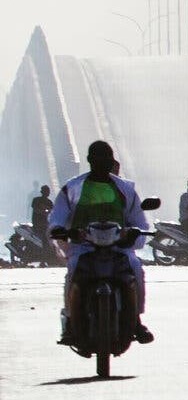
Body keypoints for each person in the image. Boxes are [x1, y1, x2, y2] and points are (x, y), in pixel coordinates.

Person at [48, 140, 153, 344]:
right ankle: (70, 321)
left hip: (117, 247)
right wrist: (60, 231)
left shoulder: (126, 189)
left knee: (136, 269)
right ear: (89, 160)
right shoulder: (72, 188)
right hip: (84, 246)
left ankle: (136, 319)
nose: (103, 163)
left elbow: (139, 222)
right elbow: (57, 218)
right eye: (98, 158)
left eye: (107, 158)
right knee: (72, 271)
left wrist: (133, 235)